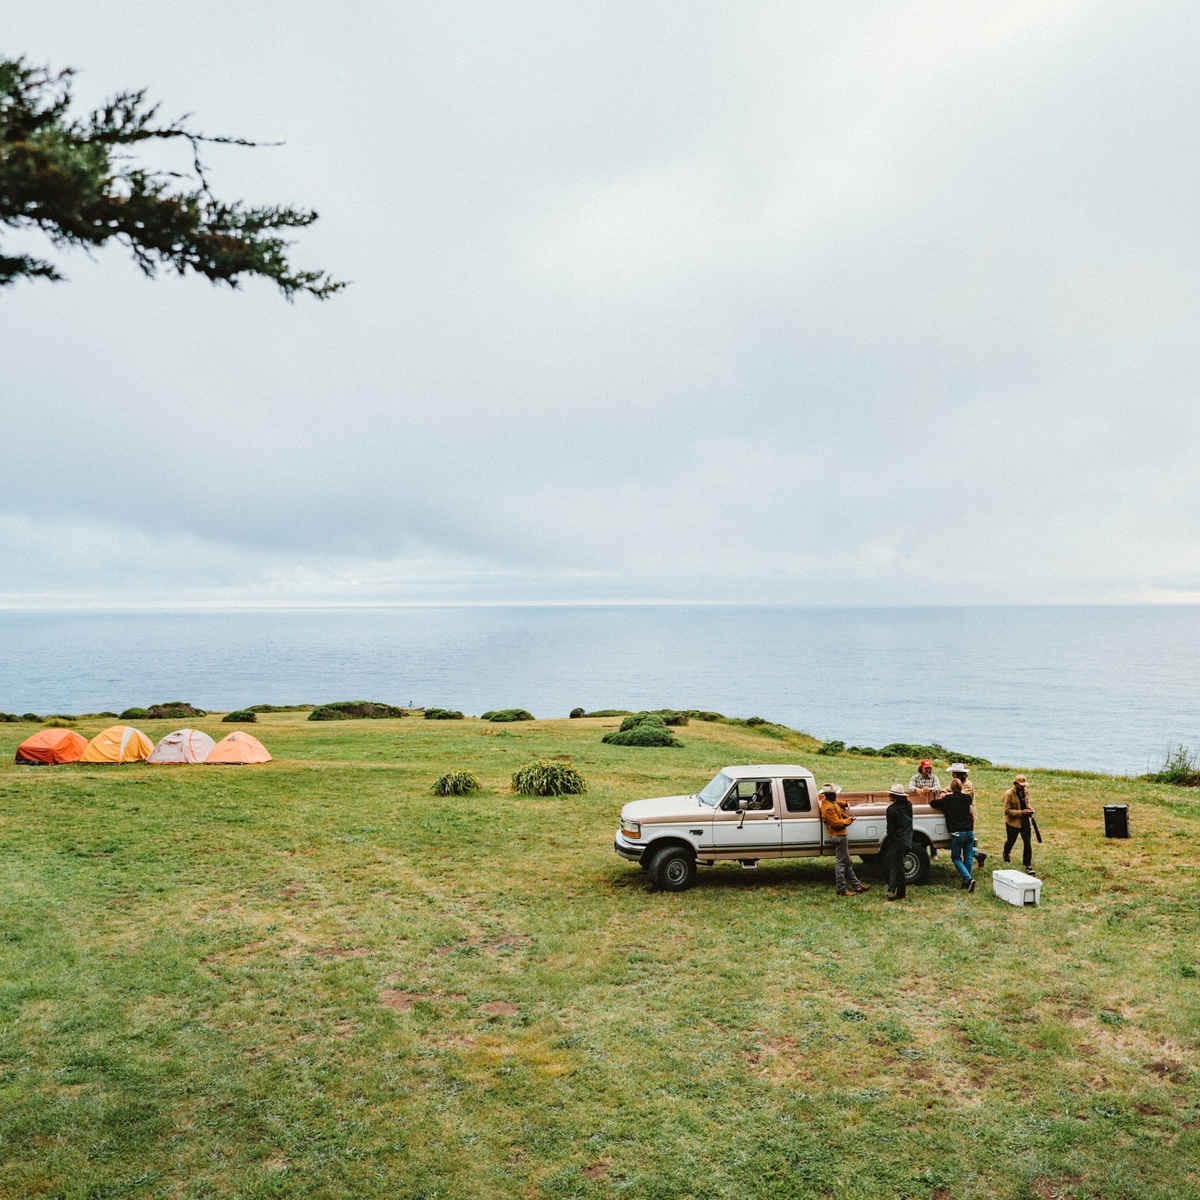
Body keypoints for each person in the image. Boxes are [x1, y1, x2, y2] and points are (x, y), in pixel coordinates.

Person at [819, 783, 869, 896]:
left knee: (847, 863)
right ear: (830, 795)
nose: (836, 796)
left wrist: (845, 803)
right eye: (834, 794)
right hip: (839, 836)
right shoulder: (828, 808)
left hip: (838, 836)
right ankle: (841, 888)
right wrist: (849, 820)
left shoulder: (829, 803)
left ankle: (857, 885)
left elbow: (837, 803)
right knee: (841, 864)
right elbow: (836, 824)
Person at [931, 779, 977, 891]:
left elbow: (933, 803)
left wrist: (944, 796)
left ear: (951, 788)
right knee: (968, 856)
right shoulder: (967, 798)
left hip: (958, 833)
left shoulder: (948, 799)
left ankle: (968, 879)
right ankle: (966, 881)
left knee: (956, 857)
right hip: (969, 831)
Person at [947, 763, 987, 868]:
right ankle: (978, 855)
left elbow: (960, 796)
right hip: (962, 814)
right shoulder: (957, 783)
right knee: (966, 840)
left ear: (957, 774)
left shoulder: (968, 784)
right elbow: (947, 789)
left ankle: (976, 856)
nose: (952, 774)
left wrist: (947, 795)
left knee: (965, 839)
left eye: (953, 773)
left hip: (969, 814)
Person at [885, 783, 913, 901]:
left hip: (897, 840)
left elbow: (890, 829)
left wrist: (890, 840)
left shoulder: (891, 810)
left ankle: (899, 892)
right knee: (897, 865)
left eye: (891, 794)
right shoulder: (908, 806)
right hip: (907, 839)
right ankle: (892, 890)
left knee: (898, 867)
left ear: (895, 797)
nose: (889, 796)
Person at [1002, 775, 1035, 873]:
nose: (1023, 787)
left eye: (1024, 786)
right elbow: (1007, 811)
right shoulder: (1008, 794)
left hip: (1025, 822)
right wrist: (1021, 812)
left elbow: (1026, 803)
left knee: (1027, 843)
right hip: (1012, 823)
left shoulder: (1025, 792)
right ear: (1015, 784)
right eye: (1021, 786)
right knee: (1011, 841)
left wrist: (1030, 809)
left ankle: (1027, 865)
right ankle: (1006, 853)